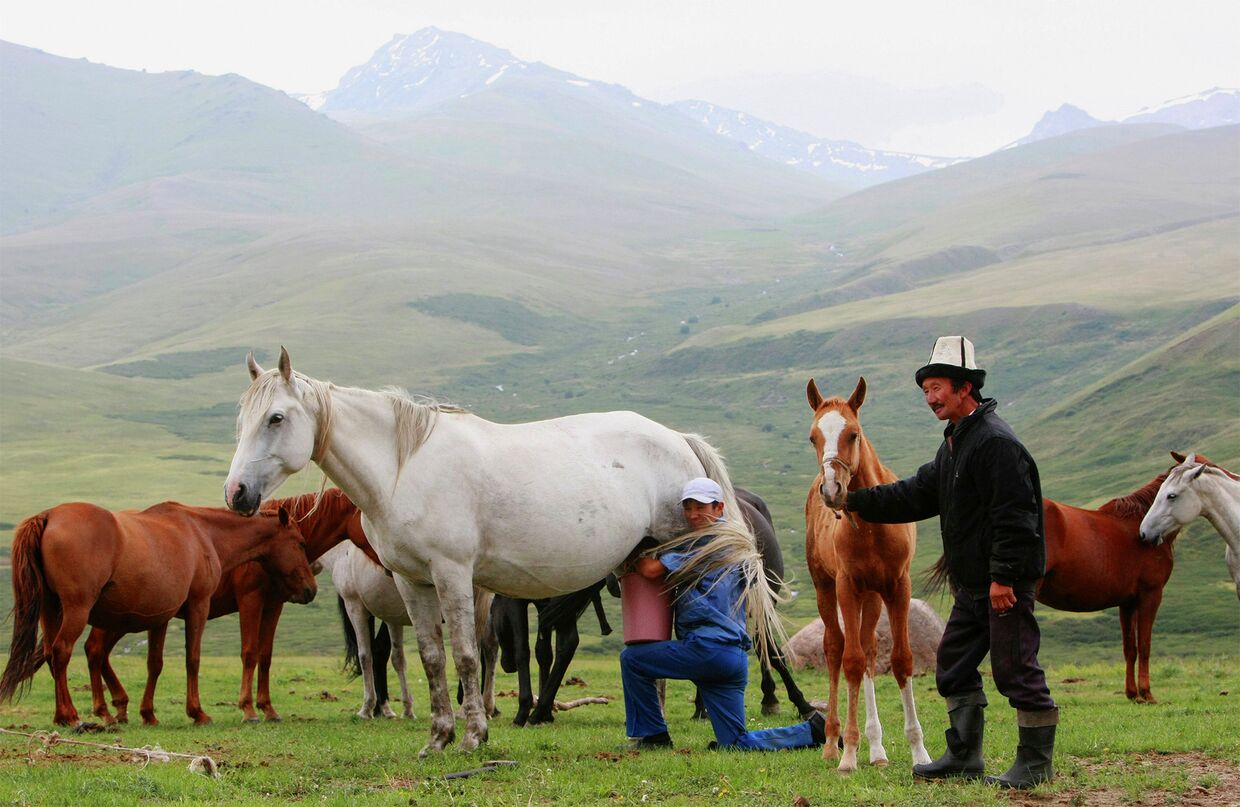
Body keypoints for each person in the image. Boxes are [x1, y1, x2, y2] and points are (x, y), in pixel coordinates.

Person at [841, 336, 1058, 790]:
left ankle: (1035, 765)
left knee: (1016, 667)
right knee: (954, 664)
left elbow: (1015, 517)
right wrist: (856, 500)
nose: (930, 398)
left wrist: (1004, 578)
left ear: (965, 388)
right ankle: (964, 757)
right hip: (973, 584)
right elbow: (916, 493)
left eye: (937, 387)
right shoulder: (957, 443)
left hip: (1003, 583)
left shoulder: (996, 443)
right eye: (925, 390)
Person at [618, 477, 826, 751]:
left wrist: (625, 546)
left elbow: (650, 571)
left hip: (706, 650)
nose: (693, 515)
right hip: (733, 659)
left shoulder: (703, 545)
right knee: (736, 742)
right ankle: (813, 731)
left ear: (719, 508)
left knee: (632, 660)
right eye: (688, 508)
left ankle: (653, 735)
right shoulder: (740, 547)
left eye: (701, 507)